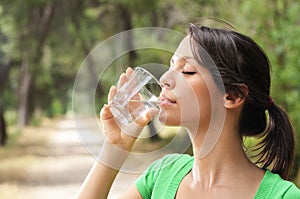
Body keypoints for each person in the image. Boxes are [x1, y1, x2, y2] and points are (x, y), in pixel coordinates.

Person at [76, 24, 300, 199]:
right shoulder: (163, 175)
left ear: (232, 96)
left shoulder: (281, 195)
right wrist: (116, 146)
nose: (164, 79)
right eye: (171, 65)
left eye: (187, 70)